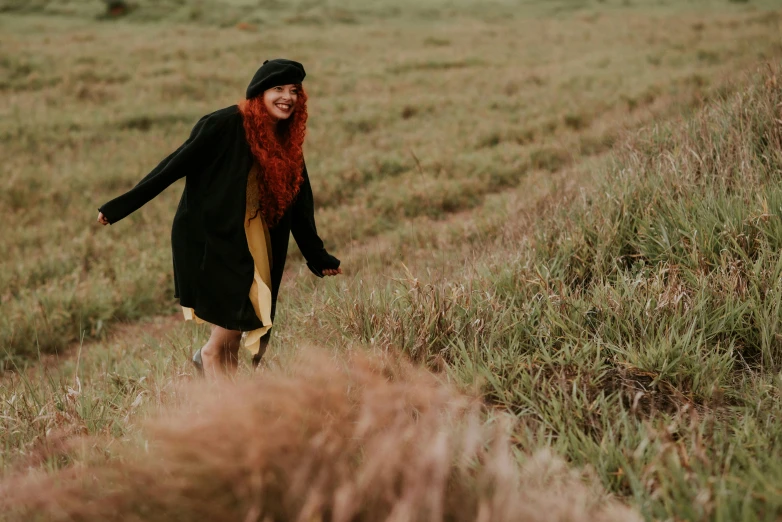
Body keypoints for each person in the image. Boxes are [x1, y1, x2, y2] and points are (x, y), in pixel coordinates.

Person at [97, 59, 342, 378]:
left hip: (259, 237)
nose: (288, 97)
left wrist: (316, 254)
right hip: (215, 234)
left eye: (294, 90)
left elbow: (299, 198)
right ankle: (213, 374)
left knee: (244, 322)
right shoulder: (224, 123)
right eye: (278, 89)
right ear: (259, 94)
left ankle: (226, 392)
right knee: (238, 315)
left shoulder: (286, 137)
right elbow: (174, 165)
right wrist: (119, 207)